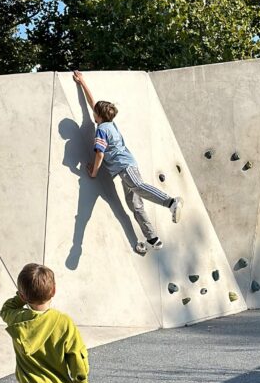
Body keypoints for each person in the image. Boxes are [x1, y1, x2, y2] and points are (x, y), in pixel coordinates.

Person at [73, 70, 183, 254]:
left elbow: (99, 155)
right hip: (123, 169)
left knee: (138, 185)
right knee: (134, 205)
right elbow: (92, 103)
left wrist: (93, 173)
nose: (92, 112)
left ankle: (171, 202)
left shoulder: (102, 130)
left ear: (97, 115)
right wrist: (82, 82)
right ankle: (153, 238)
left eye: (95, 112)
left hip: (125, 166)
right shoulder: (108, 123)